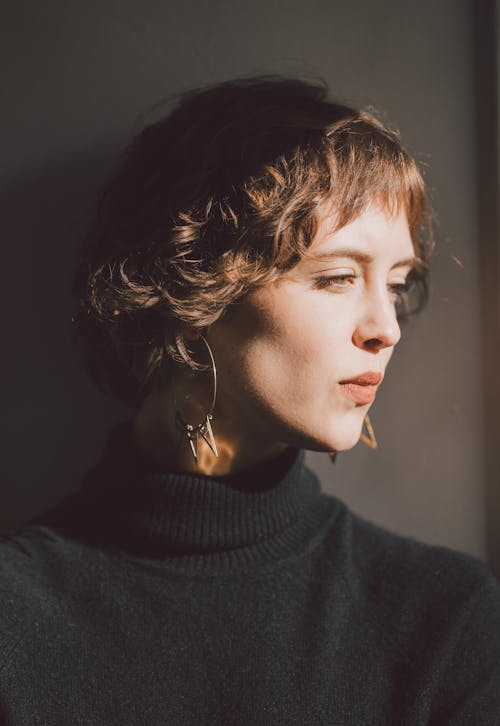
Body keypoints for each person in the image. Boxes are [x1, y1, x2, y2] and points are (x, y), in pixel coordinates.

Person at [0, 76, 499, 725]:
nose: (387, 327)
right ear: (190, 287)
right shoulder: (18, 618)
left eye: (397, 285)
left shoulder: (447, 621)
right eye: (339, 276)